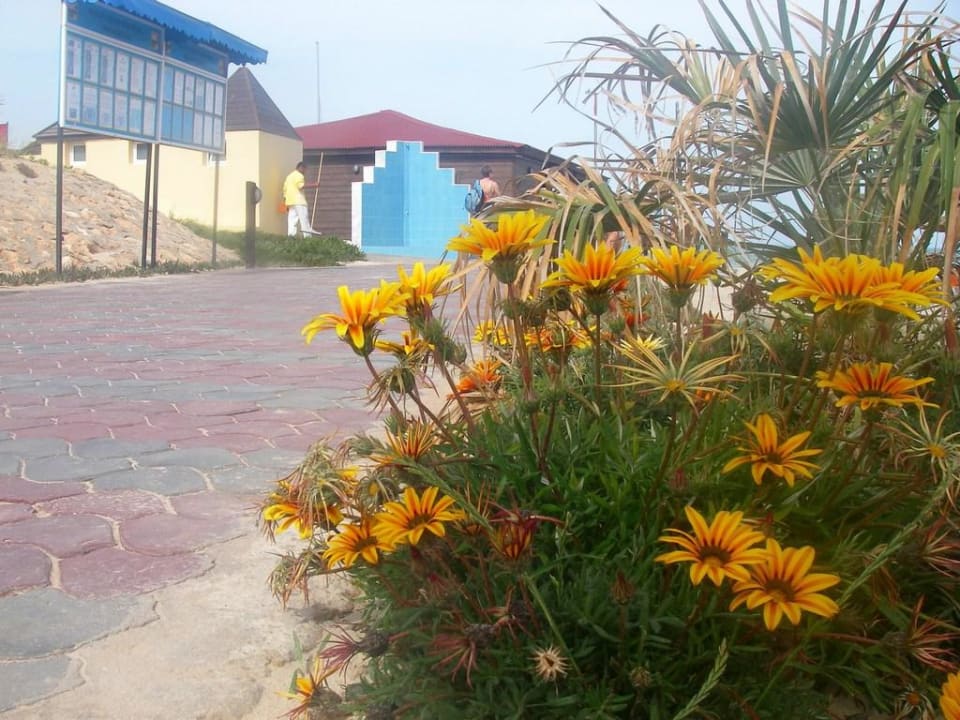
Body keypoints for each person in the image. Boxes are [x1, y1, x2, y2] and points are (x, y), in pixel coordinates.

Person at [282, 161, 318, 237]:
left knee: (292, 221)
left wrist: (285, 201)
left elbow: (284, 189)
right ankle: (308, 238)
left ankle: (291, 237)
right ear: (301, 168)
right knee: (304, 220)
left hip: (290, 202)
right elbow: (300, 186)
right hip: (299, 201)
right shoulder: (299, 175)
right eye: (305, 169)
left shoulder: (289, 176)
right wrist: (314, 185)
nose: (305, 172)